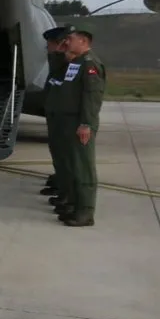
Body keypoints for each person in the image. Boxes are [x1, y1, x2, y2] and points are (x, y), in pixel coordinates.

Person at [50, 29, 104, 227]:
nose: (66, 41)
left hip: (79, 122)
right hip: (68, 121)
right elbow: (57, 78)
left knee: (83, 168)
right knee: (72, 165)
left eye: (70, 39)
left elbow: (92, 97)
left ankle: (86, 212)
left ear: (82, 41)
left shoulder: (90, 64)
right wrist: (59, 53)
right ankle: (74, 205)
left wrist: (86, 124)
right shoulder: (75, 62)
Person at [40, 25, 74, 211]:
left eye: (51, 44)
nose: (48, 48)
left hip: (65, 117)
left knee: (67, 156)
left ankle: (67, 193)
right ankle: (61, 185)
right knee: (58, 152)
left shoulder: (70, 63)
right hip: (56, 114)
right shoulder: (59, 61)